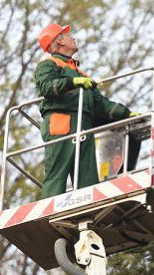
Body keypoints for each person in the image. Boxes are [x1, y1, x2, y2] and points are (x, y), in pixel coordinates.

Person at [35, 23, 140, 198]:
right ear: (59, 41)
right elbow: (46, 87)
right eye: (67, 35)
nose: (73, 37)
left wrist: (126, 114)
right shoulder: (48, 64)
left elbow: (99, 104)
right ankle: (49, 211)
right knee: (58, 171)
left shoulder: (81, 74)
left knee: (87, 174)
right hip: (61, 122)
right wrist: (72, 83)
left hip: (83, 124)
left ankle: (89, 206)